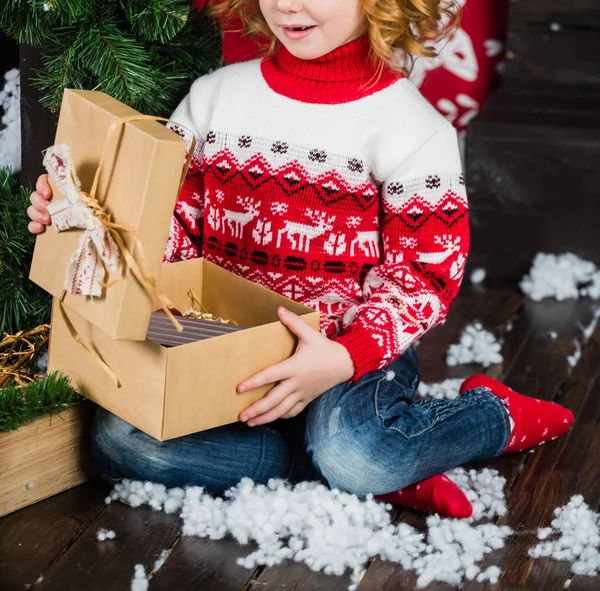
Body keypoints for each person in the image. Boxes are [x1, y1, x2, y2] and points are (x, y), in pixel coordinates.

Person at [27, 0, 574, 519]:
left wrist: (346, 355)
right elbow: (168, 236)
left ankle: (487, 416)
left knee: (356, 451)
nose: (290, 5)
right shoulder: (213, 99)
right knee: (120, 440)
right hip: (222, 347)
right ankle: (356, 473)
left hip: (345, 353)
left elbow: (423, 275)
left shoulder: (410, 128)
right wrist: (79, 215)